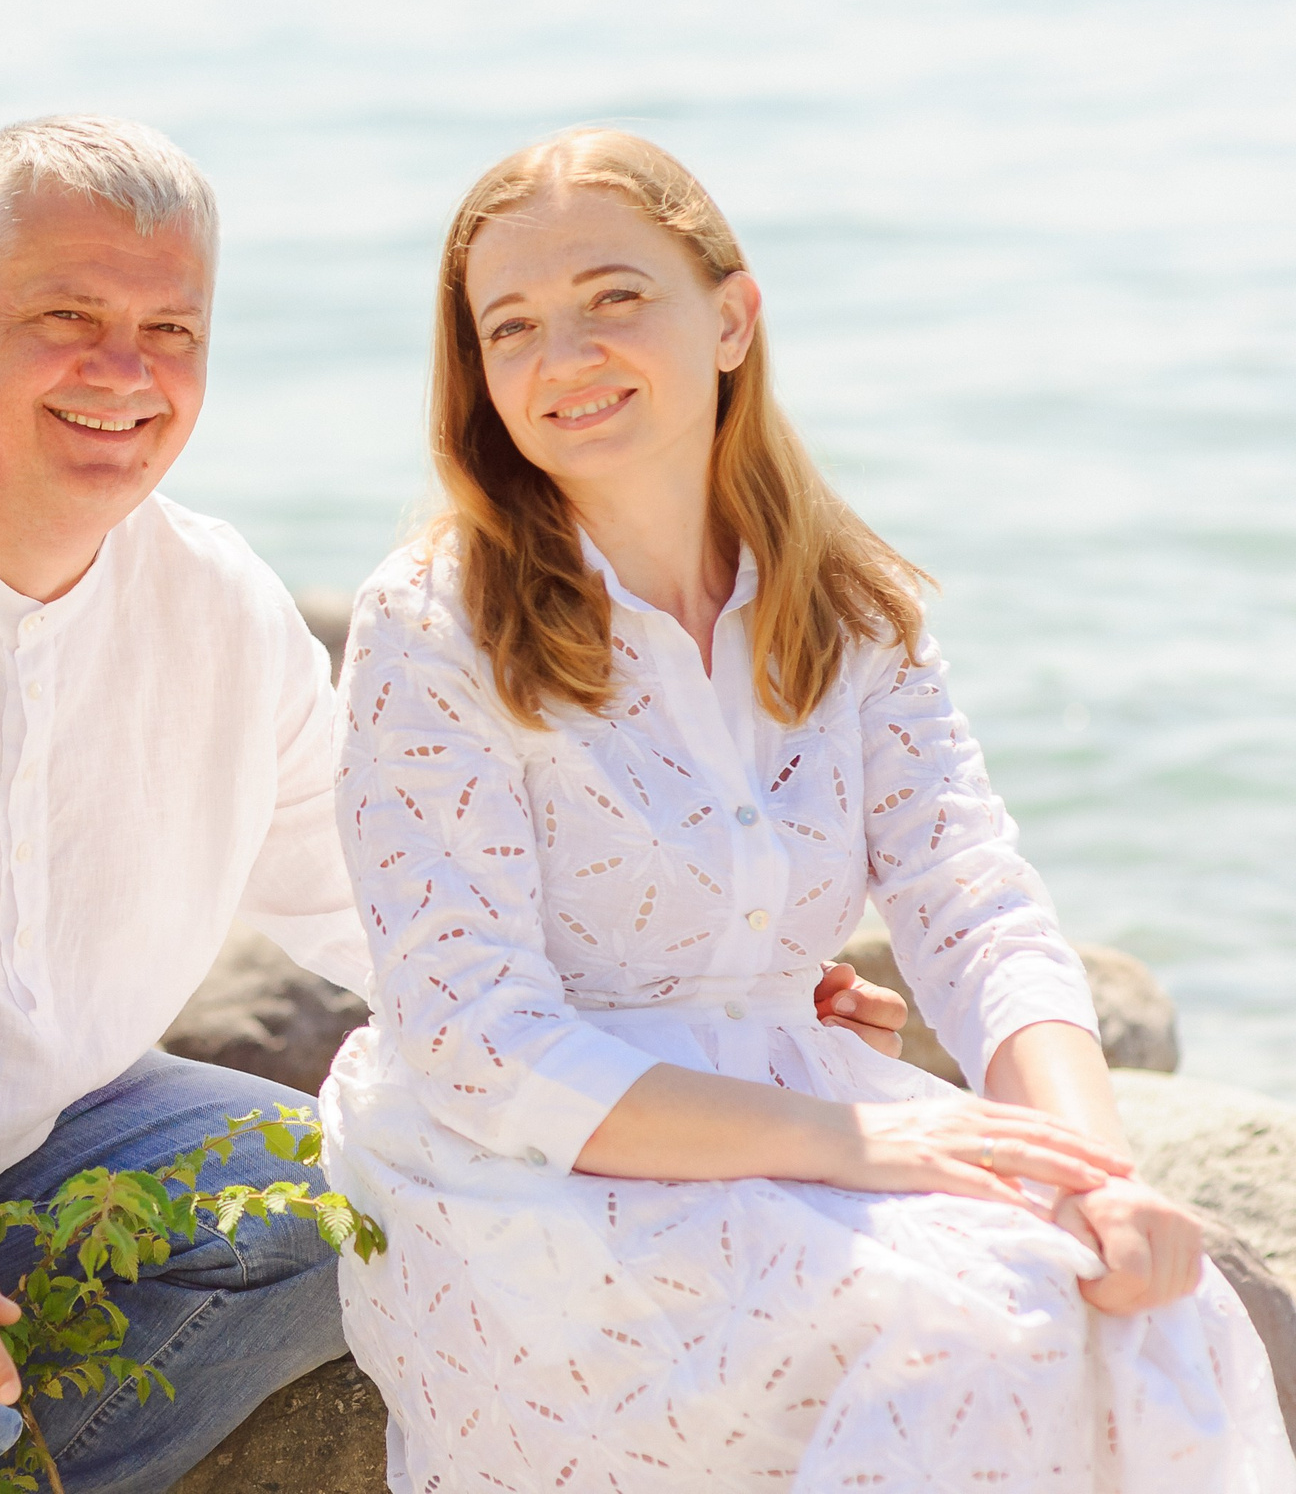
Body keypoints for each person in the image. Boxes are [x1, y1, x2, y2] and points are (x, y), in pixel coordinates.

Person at [0, 115, 911, 1494]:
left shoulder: (217, 605)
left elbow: (390, 898)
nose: (123, 371)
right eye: (65, 319)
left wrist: (697, 992)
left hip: (26, 1140)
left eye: (170, 332)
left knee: (391, 1221)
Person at [319, 127, 1296, 1491]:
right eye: (514, 326)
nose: (565, 357)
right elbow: (475, 1040)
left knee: (1143, 1300)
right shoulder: (431, 625)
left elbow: (974, 901)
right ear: (478, 375)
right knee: (981, 1334)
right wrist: (864, 1139)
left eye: (615, 298)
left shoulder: (845, 606)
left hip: (786, 1102)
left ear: (730, 316)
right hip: (526, 1168)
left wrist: (1097, 1173)